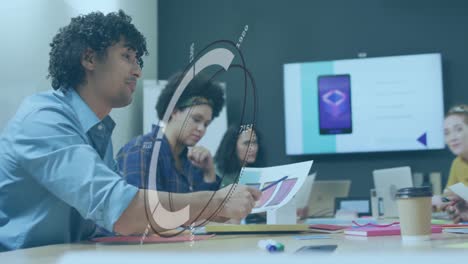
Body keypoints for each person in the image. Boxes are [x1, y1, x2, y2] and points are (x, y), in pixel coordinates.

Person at [0, 10, 260, 251]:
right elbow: (124, 212)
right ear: (89, 58)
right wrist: (216, 202)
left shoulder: (98, 133)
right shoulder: (44, 119)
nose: (137, 71)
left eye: (138, 60)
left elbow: (118, 222)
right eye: (127, 56)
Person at [116, 72, 224, 193]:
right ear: (173, 111)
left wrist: (209, 173)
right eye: (196, 119)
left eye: (206, 124)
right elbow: (143, 209)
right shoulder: (142, 151)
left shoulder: (194, 164)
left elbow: (210, 208)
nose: (201, 129)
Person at [443, 104, 468, 189]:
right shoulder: (457, 163)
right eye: (447, 133)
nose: (452, 138)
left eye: (459, 129)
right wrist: (439, 199)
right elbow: (448, 196)